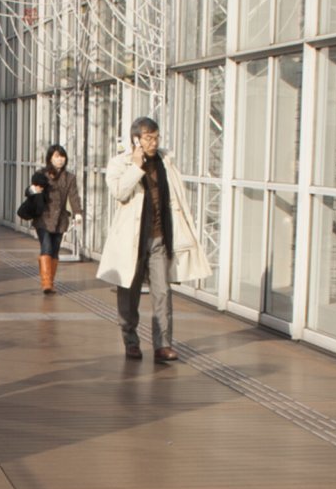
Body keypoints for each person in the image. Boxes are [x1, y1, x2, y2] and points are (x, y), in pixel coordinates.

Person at [96, 117, 210, 363]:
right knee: (129, 292)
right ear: (135, 139)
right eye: (148, 138)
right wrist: (136, 167)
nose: (153, 142)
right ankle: (130, 339)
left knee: (162, 292)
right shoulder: (120, 163)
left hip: (159, 238)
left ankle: (163, 344)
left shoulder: (165, 162)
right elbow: (119, 193)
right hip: (131, 242)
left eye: (156, 137)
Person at [31, 144, 83, 295]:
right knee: (46, 247)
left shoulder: (69, 177)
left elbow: (74, 196)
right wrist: (34, 190)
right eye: (56, 156)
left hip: (60, 220)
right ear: (50, 158)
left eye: (62, 156)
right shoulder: (41, 174)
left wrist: (77, 212)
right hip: (43, 218)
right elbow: (30, 191)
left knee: (54, 250)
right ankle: (46, 283)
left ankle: (50, 282)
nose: (60, 160)